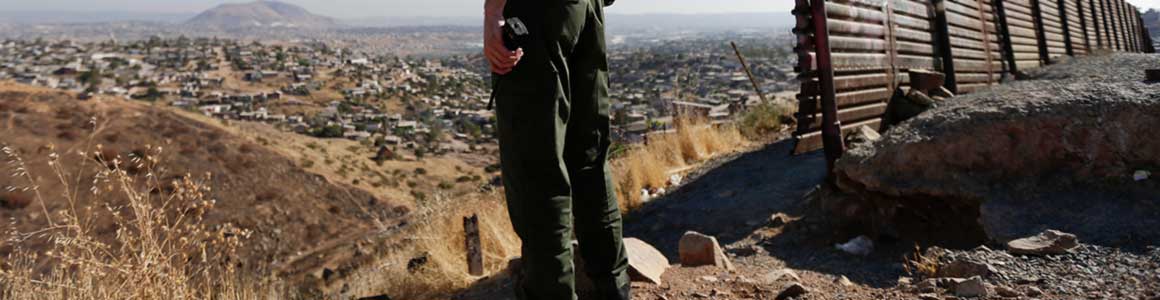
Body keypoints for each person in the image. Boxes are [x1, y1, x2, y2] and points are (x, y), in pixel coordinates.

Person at [483, 0, 629, 299]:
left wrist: (494, 11)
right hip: (586, 10)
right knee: (590, 160)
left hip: (538, 16)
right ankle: (612, 289)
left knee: (537, 170)